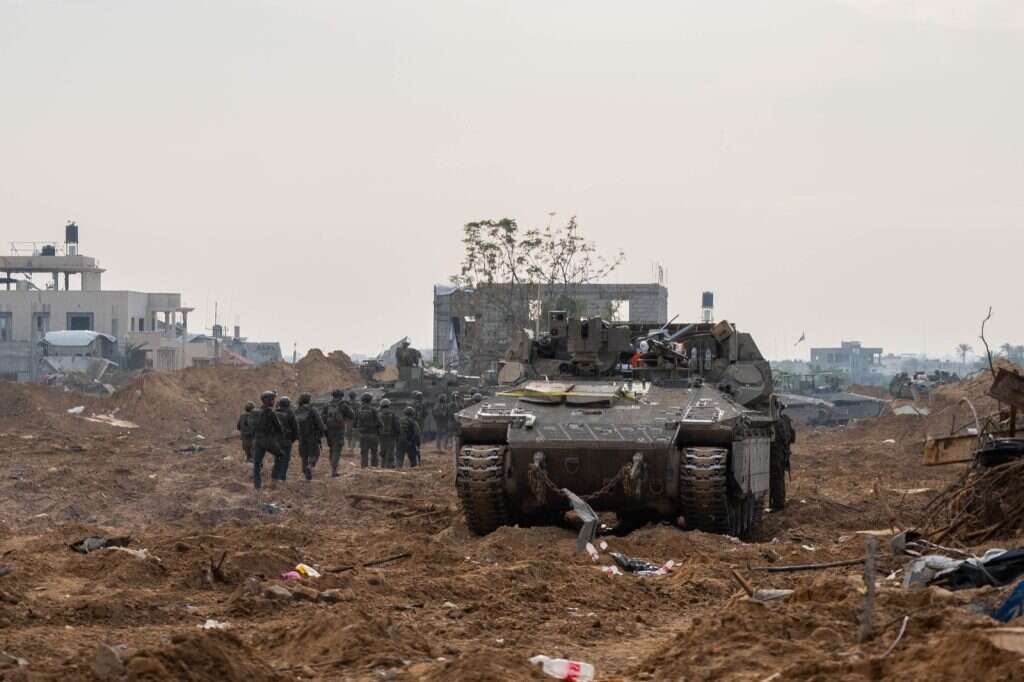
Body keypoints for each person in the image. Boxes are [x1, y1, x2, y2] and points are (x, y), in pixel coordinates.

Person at [251, 391, 284, 492]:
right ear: (268, 400)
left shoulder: (256, 412)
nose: (274, 401)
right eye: (272, 399)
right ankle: (274, 479)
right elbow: (279, 428)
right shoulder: (271, 413)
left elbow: (251, 426)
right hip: (268, 440)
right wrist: (279, 439)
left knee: (256, 463)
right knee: (281, 456)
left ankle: (257, 486)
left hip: (257, 440)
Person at [295, 393, 327, 481]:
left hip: (301, 437)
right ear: (309, 400)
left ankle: (305, 475)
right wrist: (323, 432)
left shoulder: (297, 410)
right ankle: (309, 466)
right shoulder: (312, 410)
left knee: (304, 456)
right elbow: (320, 423)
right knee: (315, 454)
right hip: (312, 436)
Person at [323, 389, 354, 477]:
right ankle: (334, 471)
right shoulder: (343, 405)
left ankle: (333, 468)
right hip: (339, 430)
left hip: (329, 430)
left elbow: (322, 417)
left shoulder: (327, 404)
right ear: (341, 396)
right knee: (336, 450)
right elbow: (352, 415)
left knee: (332, 449)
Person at [770, 405, 795, 512]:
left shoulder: (776, 422)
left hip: (776, 453)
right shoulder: (785, 420)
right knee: (779, 478)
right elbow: (792, 438)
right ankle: (779, 502)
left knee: (776, 479)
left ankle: (777, 504)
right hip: (783, 453)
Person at [275, 396, 299, 483]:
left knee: (277, 458)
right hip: (287, 440)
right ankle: (282, 477)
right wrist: (293, 439)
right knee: (285, 459)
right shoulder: (290, 413)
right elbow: (295, 428)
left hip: (276, 440)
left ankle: (275, 477)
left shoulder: (275, 413)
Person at [355, 392, 381, 468]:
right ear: (370, 400)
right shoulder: (373, 410)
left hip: (363, 435)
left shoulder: (359, 410)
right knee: (374, 453)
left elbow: (355, 424)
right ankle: (374, 468)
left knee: (364, 454)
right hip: (373, 435)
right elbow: (379, 422)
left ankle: (364, 468)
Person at [378, 398, 400, 468]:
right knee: (390, 453)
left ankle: (382, 467)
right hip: (391, 437)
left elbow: (376, 426)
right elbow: (397, 426)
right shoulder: (393, 414)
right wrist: (397, 436)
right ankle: (389, 467)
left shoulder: (379, 415)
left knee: (383, 453)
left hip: (381, 437)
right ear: (389, 405)